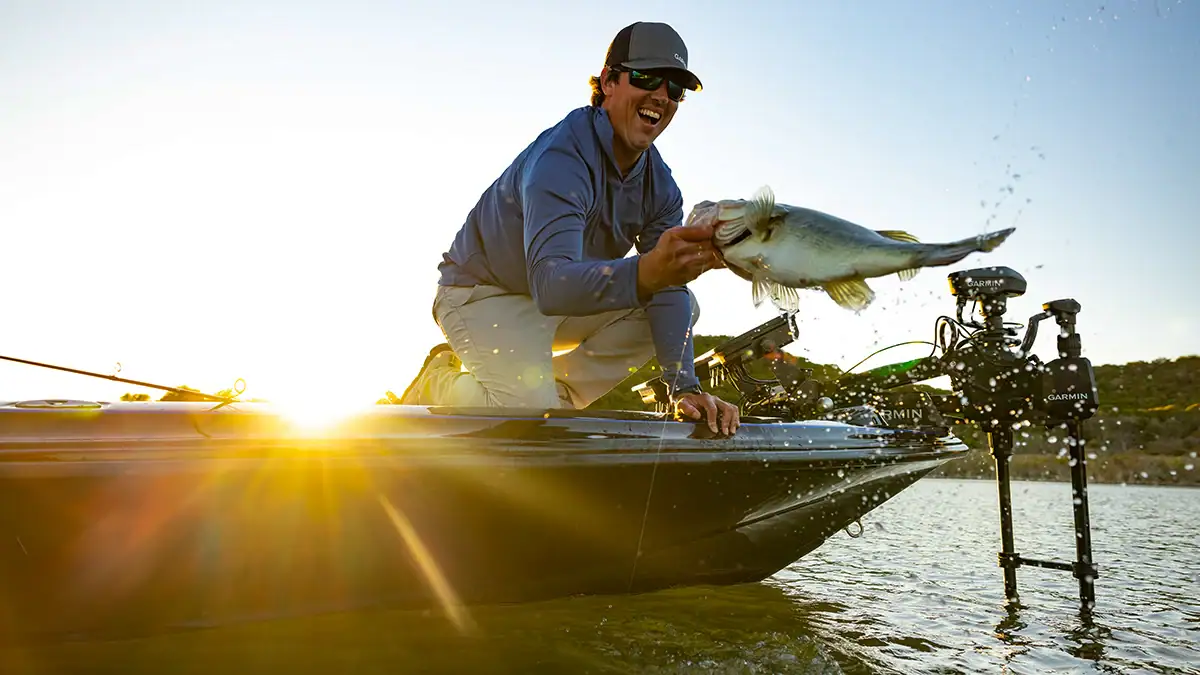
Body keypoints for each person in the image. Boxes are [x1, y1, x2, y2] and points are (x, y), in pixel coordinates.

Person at [398, 21, 740, 436]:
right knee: (524, 418)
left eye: (674, 89)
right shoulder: (561, 157)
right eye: (646, 77)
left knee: (684, 303)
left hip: (560, 302)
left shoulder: (661, 188)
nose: (660, 96)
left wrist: (683, 386)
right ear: (609, 82)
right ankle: (439, 381)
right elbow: (551, 284)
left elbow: (666, 290)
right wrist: (651, 271)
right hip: (481, 295)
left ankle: (555, 396)